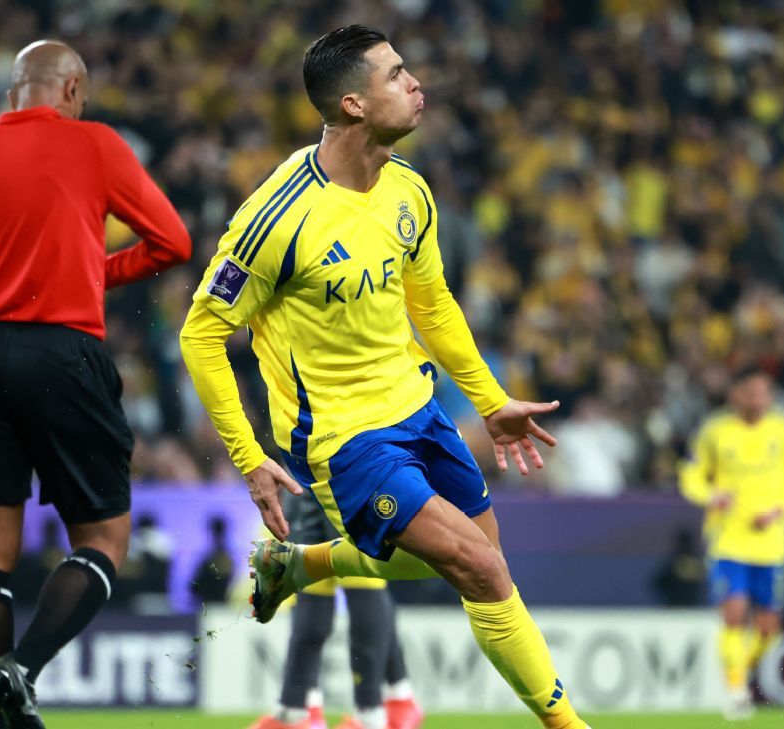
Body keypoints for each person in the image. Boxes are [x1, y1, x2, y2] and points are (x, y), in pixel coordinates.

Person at [179, 26, 586, 729]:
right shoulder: (276, 219)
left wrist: (490, 402)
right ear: (354, 104)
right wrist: (249, 458)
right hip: (343, 437)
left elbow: (433, 304)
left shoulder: (409, 190)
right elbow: (201, 332)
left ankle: (300, 564)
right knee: (483, 569)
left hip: (417, 406)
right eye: (396, 74)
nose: (416, 83)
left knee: (474, 558)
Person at [0, 39, 190, 729]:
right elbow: (173, 242)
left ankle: (4, 720)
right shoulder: (97, 145)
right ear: (71, 90)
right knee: (104, 538)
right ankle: (23, 669)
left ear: (12, 95)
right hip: (64, 351)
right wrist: (95, 275)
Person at [679, 365, 784, 720]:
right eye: (752, 393)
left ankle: (738, 669)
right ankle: (736, 692)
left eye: (764, 393)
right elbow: (691, 474)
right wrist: (711, 496)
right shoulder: (714, 430)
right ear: (736, 394)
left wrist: (780, 509)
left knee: (769, 630)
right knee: (734, 614)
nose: (758, 400)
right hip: (728, 539)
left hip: (772, 542)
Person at [248, 493, 423, 729]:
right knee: (308, 576)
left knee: (361, 576)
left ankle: (372, 712)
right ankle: (297, 708)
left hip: (346, 478)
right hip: (307, 479)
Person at [190, 515, 235, 607]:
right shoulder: (226, 558)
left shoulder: (215, 558)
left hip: (211, 607)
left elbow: (194, 587)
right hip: (219, 606)